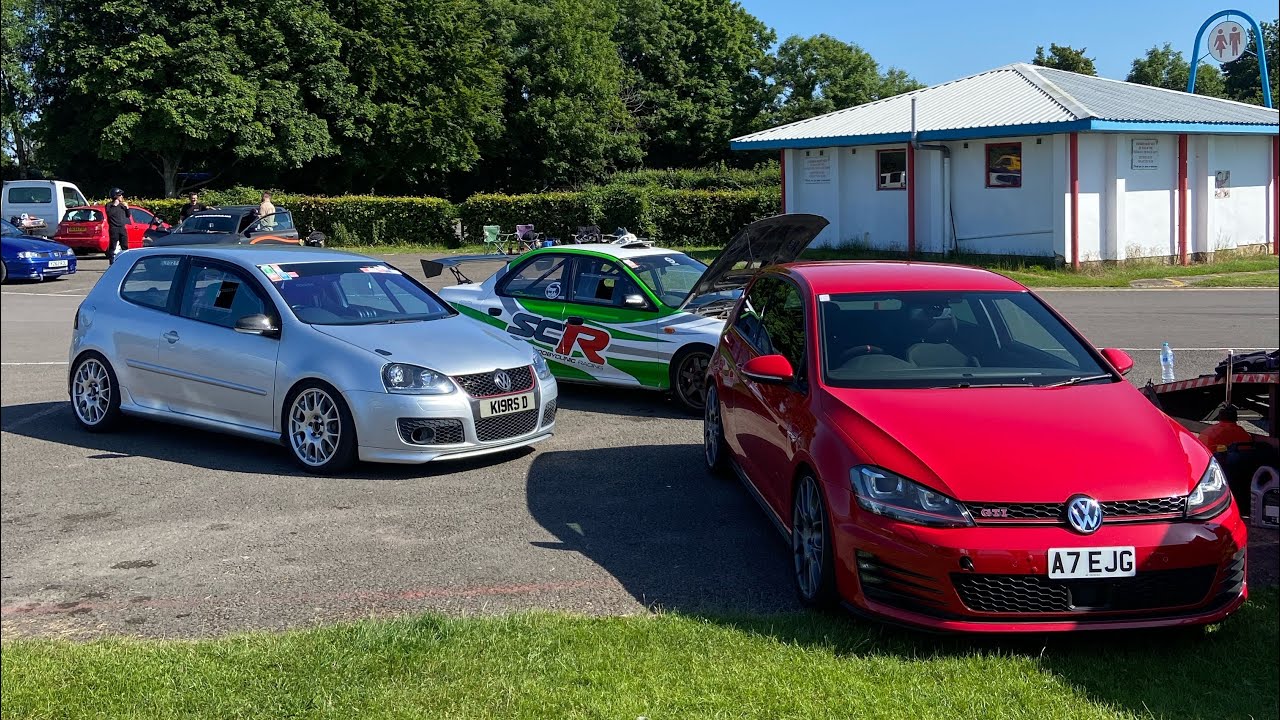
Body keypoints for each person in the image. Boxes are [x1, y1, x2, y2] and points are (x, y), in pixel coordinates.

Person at [104, 188, 130, 265]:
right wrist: (114, 206)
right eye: (120, 195)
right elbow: (109, 214)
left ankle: (126, 262)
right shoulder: (109, 205)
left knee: (125, 246)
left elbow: (128, 215)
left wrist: (127, 208)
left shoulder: (122, 205)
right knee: (113, 246)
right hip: (114, 229)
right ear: (116, 196)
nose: (122, 196)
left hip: (122, 228)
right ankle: (112, 262)